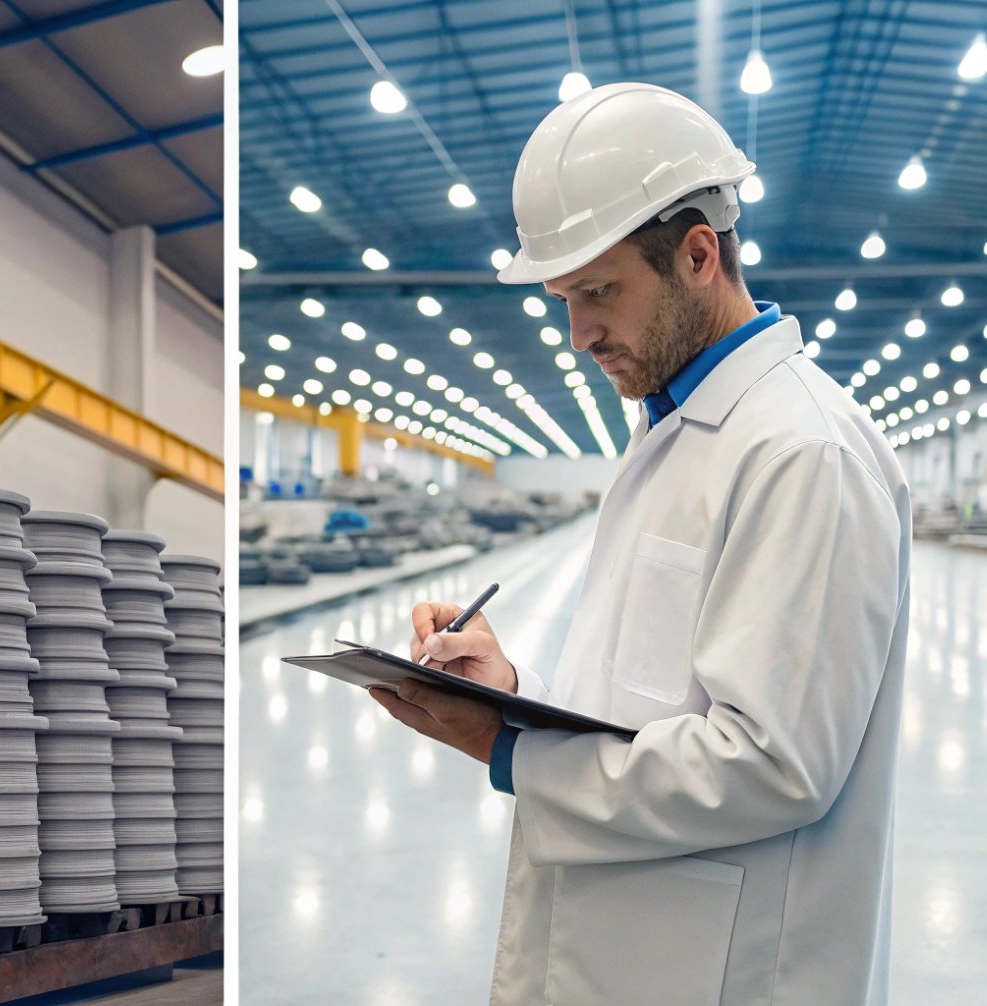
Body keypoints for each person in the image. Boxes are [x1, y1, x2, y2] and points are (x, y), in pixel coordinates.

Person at [371, 82, 910, 1005]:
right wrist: (512, 692)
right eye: (562, 298)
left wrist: (508, 750)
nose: (578, 333)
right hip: (632, 947)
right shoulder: (673, 433)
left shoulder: (800, 452)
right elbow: (651, 700)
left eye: (597, 292)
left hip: (724, 965)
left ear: (697, 254)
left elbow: (772, 766)